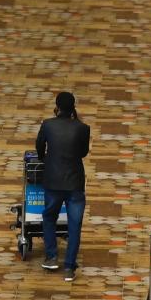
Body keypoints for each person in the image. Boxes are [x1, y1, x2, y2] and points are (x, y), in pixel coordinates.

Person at [35, 92, 91, 282]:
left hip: (53, 180)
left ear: (57, 107)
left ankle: (51, 257)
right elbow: (83, 153)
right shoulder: (83, 128)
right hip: (75, 182)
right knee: (74, 225)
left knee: (49, 216)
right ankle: (69, 267)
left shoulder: (48, 124)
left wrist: (47, 160)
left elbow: (39, 147)